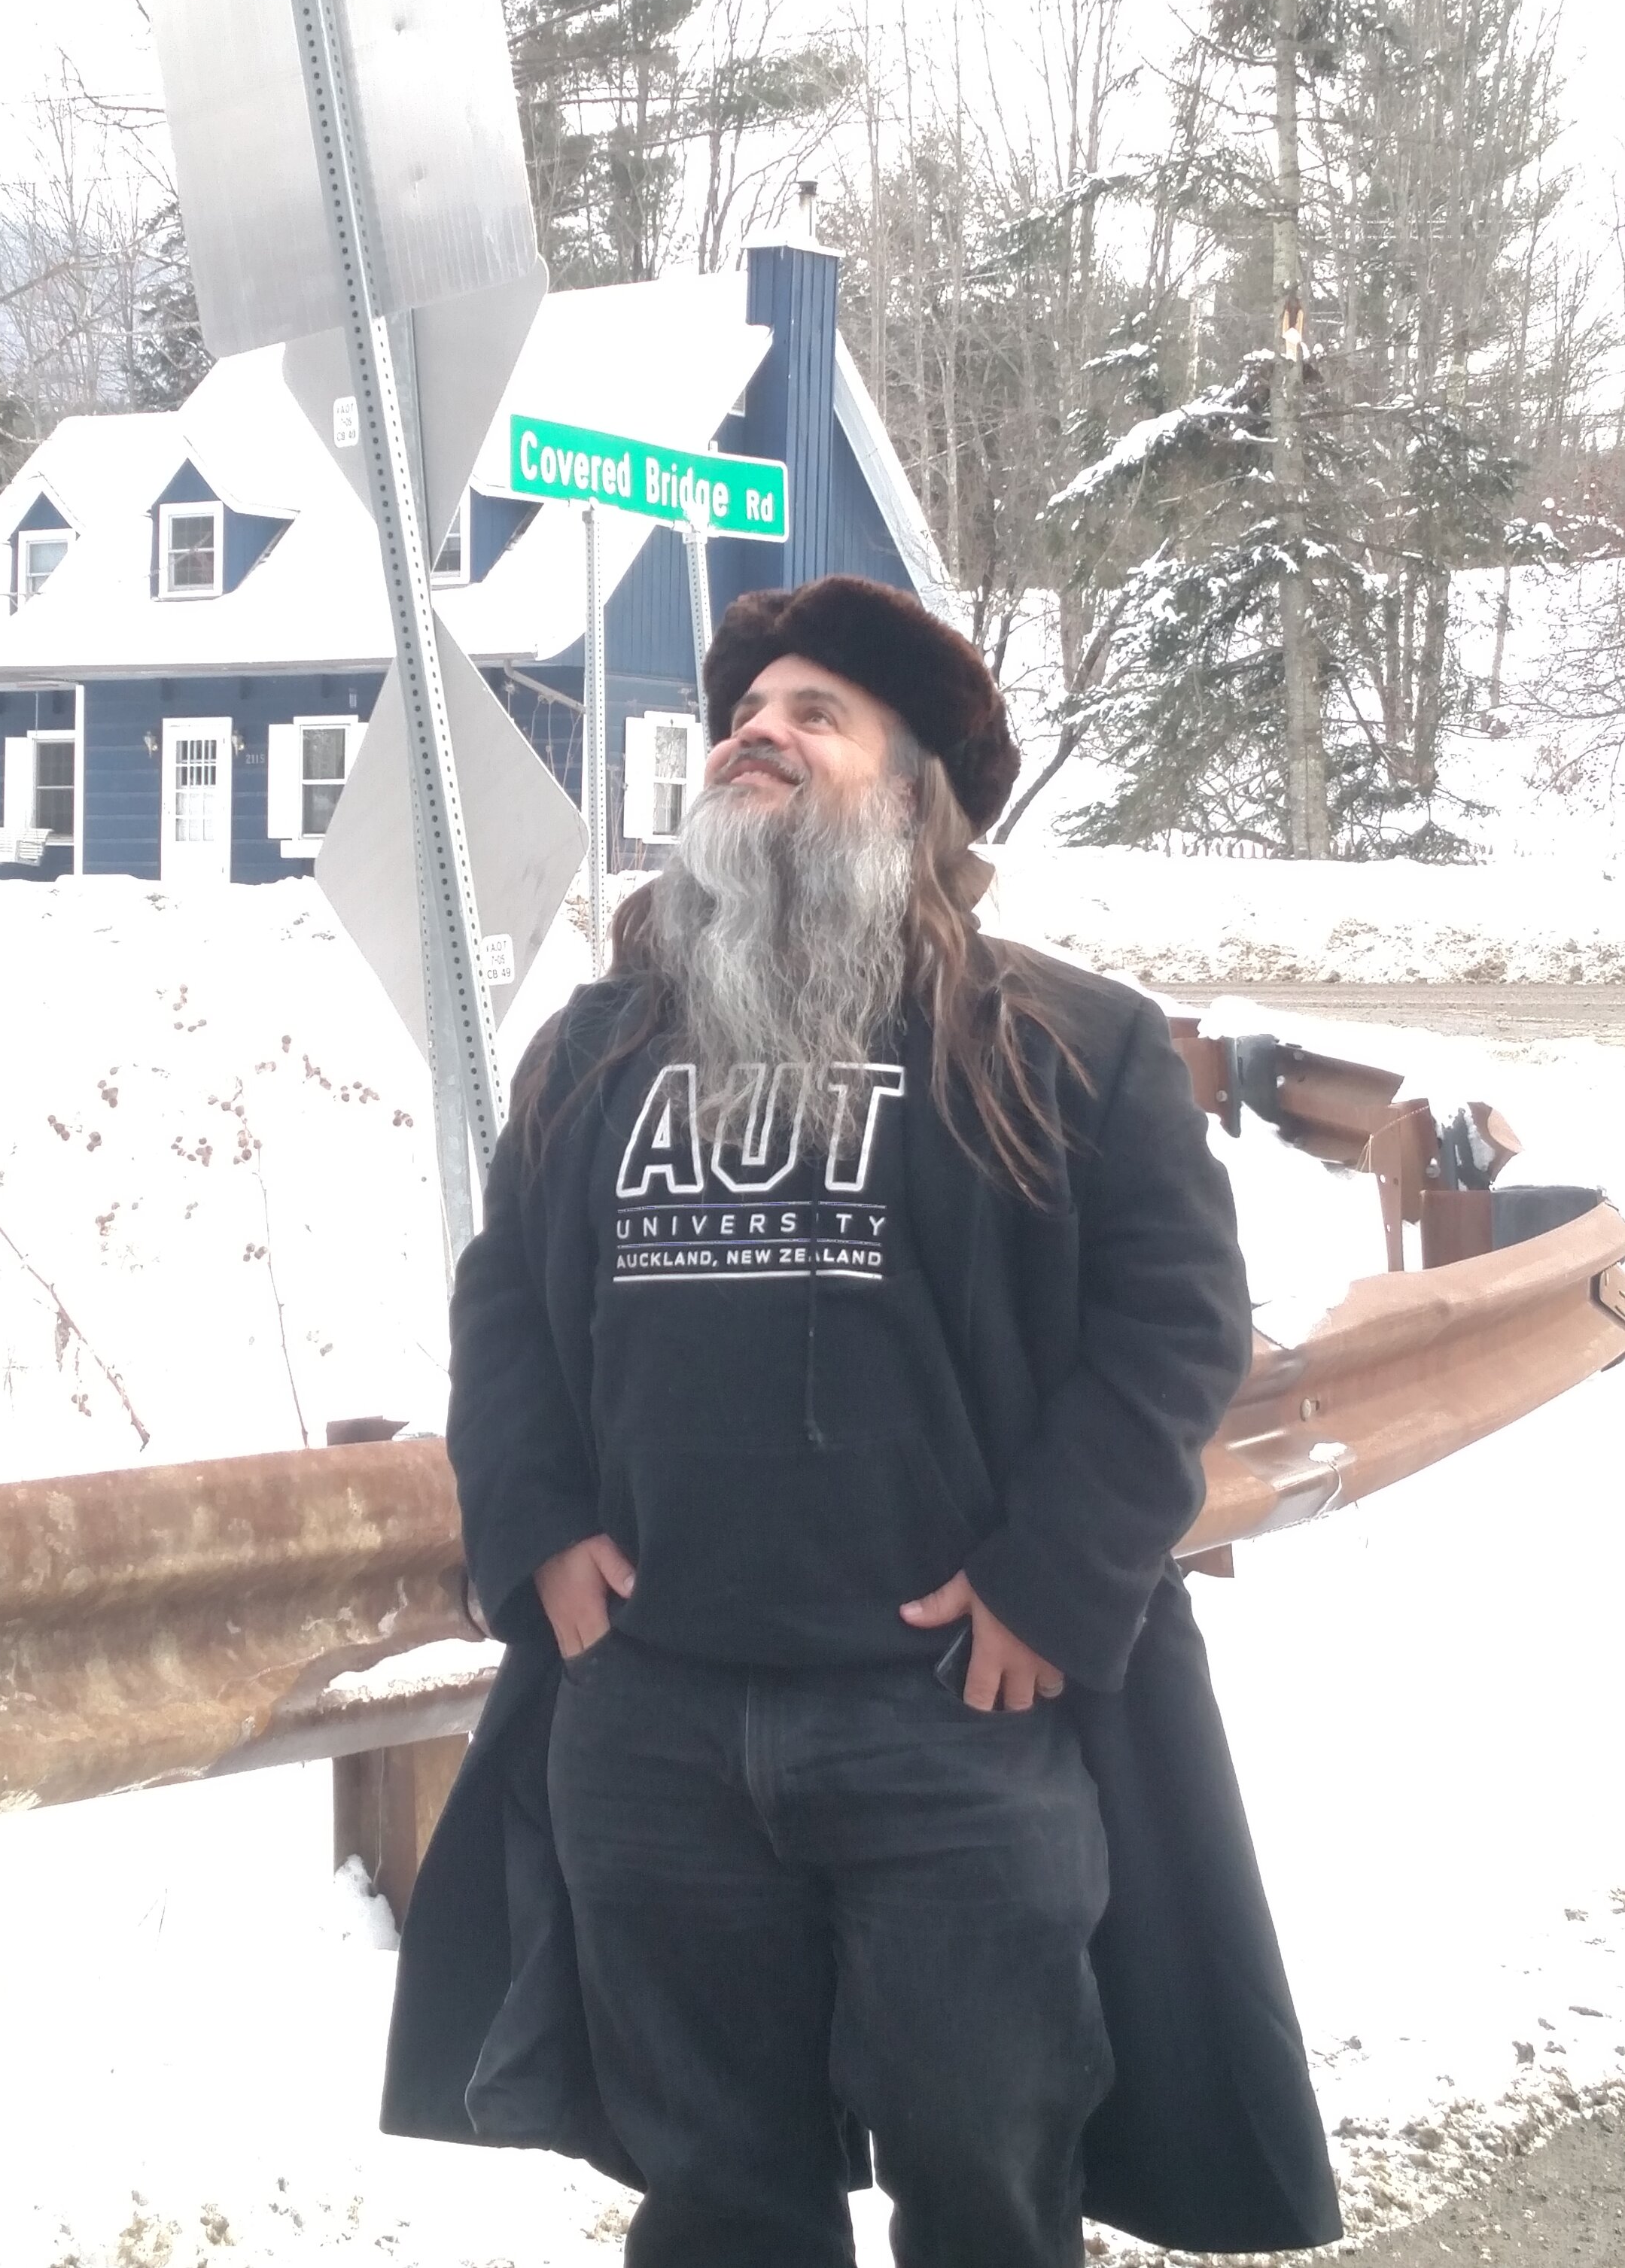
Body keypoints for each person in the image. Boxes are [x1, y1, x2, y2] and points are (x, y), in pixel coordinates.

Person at [382, 574, 1341, 2268]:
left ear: (910, 793)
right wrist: (529, 1521)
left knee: (985, 2183)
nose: (756, 729)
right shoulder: (598, 1043)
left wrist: (1055, 1575)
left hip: (951, 1726)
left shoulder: (1063, 1040)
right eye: (744, 712)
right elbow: (503, 1300)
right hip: (655, 1719)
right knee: (714, 2193)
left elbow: (1175, 1321)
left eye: (814, 712)